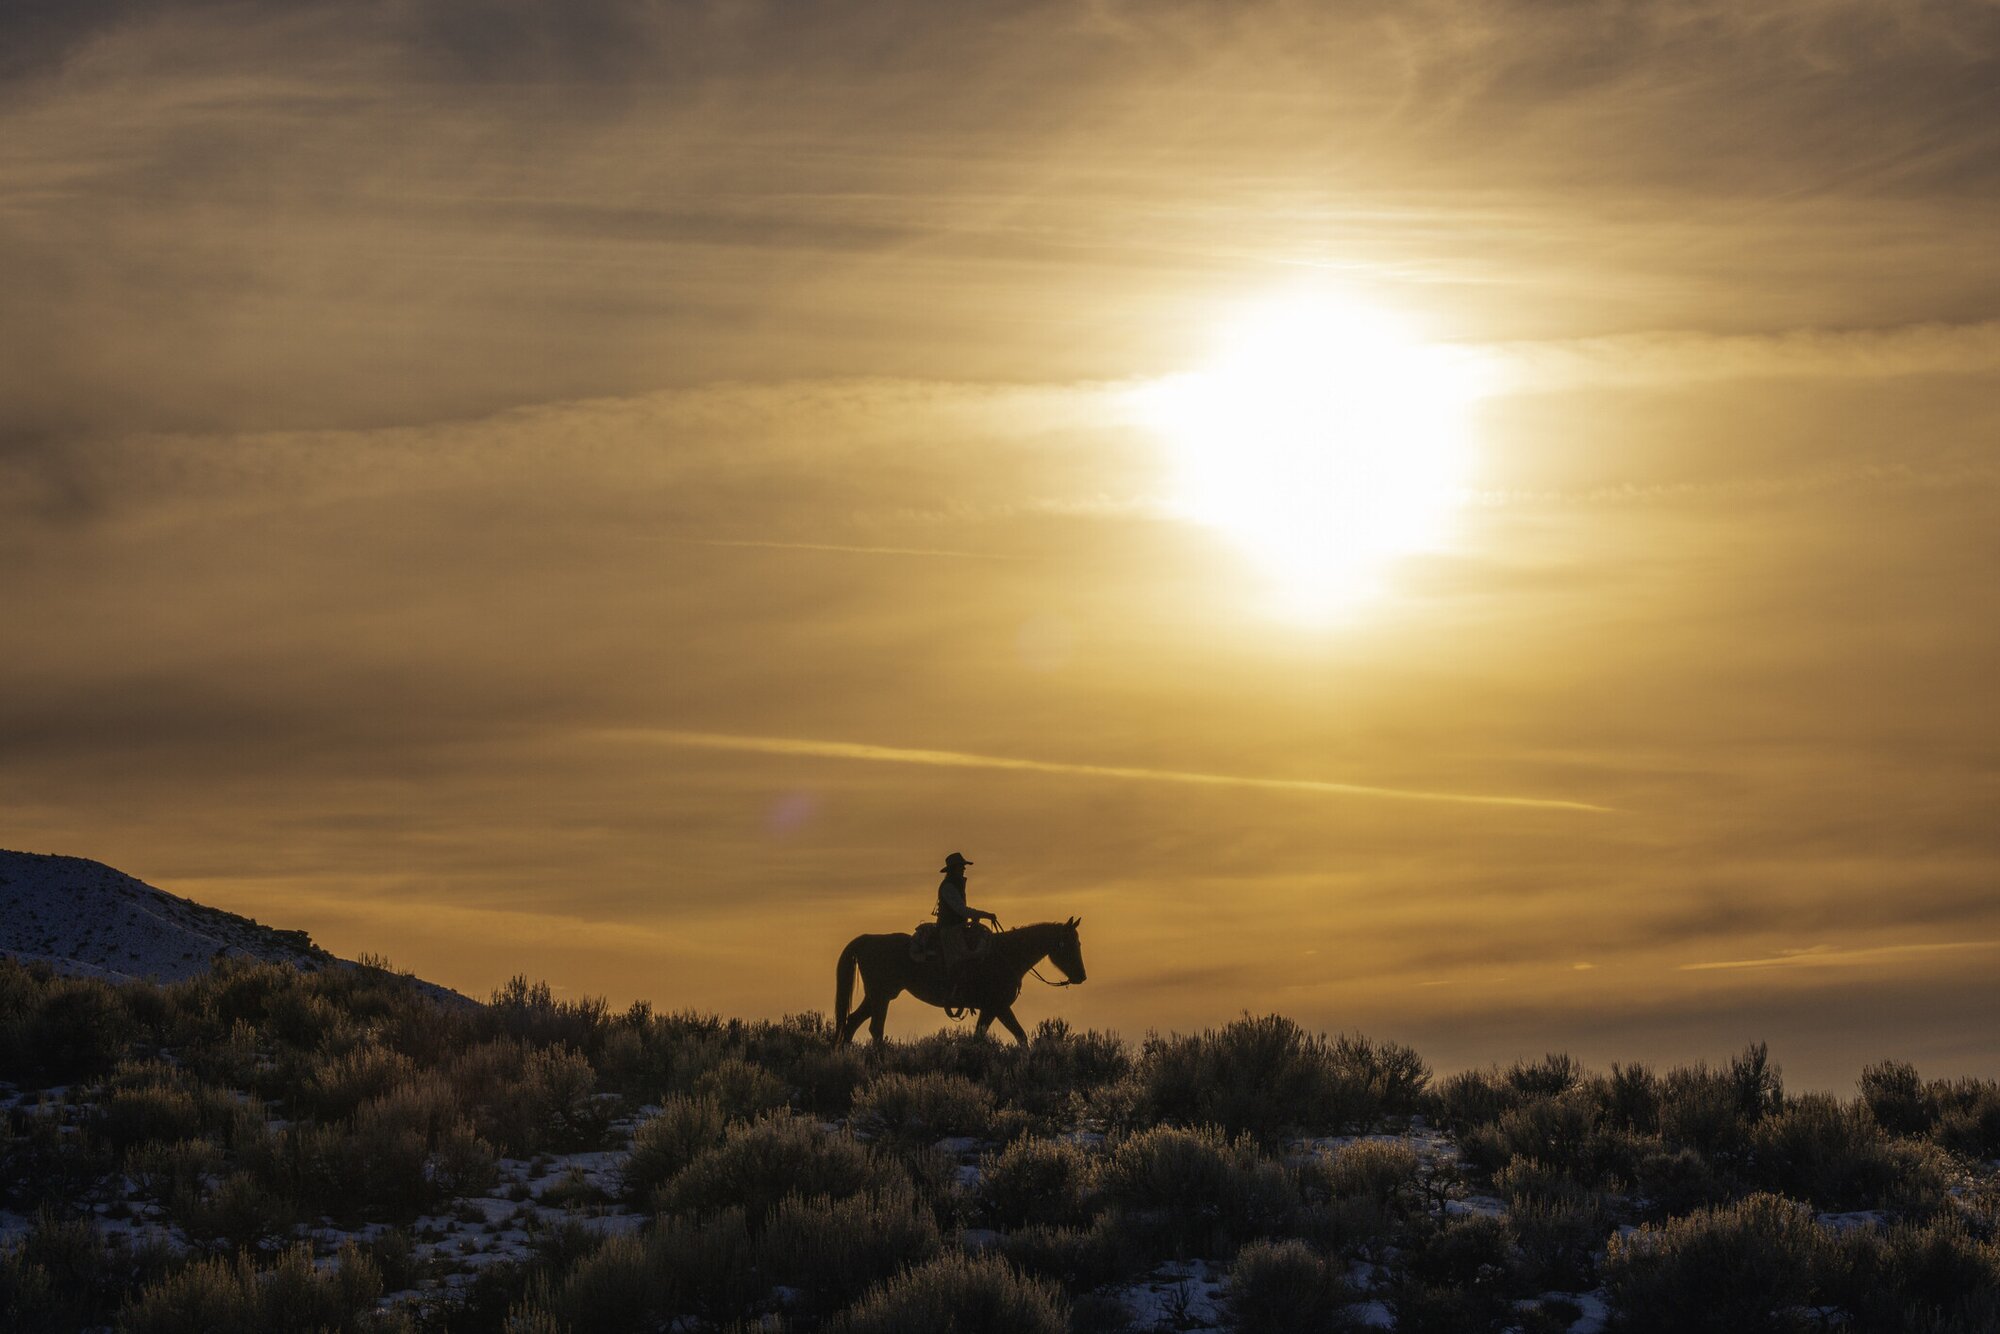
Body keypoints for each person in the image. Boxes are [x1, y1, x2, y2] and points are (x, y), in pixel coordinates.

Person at [934, 851, 995, 970]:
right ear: (954, 869)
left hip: (958, 926)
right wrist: (985, 915)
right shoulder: (948, 887)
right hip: (949, 929)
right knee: (963, 958)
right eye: (961, 866)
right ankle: (955, 979)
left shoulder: (955, 885)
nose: (963, 869)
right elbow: (961, 910)